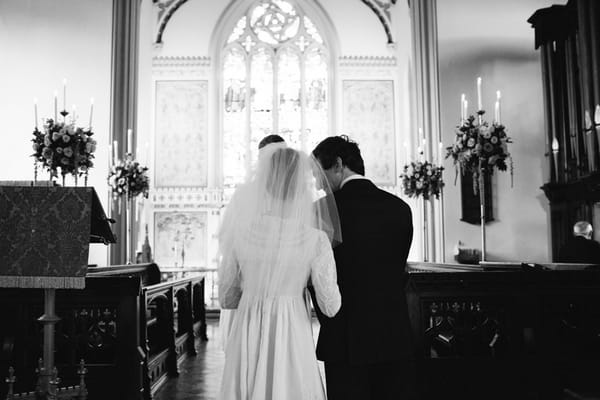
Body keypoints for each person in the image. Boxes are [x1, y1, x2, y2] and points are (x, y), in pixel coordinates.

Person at [217, 145, 342, 400]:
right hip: (292, 329)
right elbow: (330, 306)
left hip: (249, 328)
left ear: (264, 183)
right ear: (301, 187)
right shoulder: (315, 240)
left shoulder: (240, 233)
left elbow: (227, 299)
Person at [311, 135, 414, 400]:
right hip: (393, 333)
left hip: (345, 337)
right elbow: (397, 270)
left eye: (319, 174)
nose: (318, 184)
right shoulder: (400, 208)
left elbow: (317, 279)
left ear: (337, 164)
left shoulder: (321, 211)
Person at [219, 135, 288, 349]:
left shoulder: (244, 194)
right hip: (276, 284)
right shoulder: (291, 195)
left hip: (264, 282)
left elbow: (228, 241)